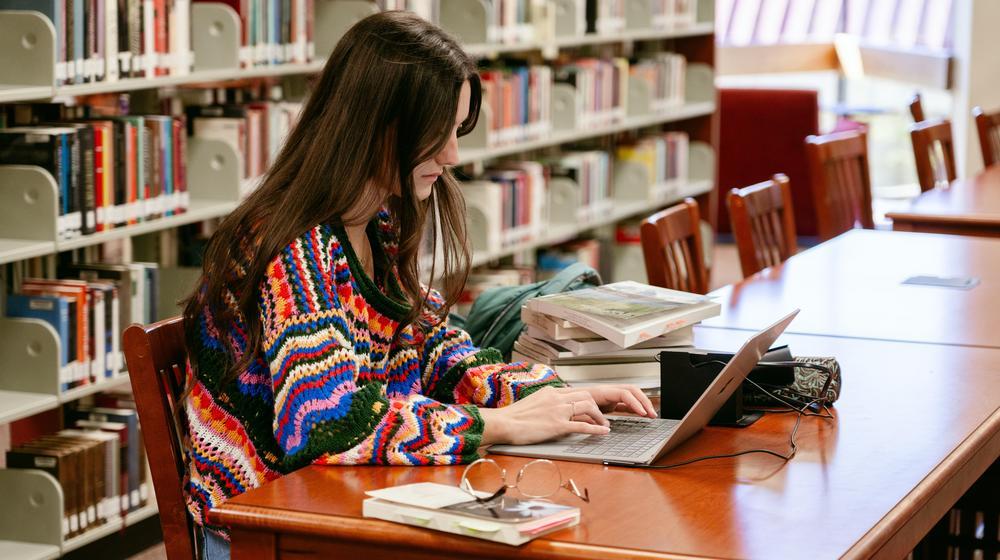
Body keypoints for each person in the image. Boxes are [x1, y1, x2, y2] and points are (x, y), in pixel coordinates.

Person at [181, 11, 656, 559]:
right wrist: (496, 425)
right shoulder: (294, 248)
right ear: (377, 126)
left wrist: (548, 395)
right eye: (438, 134)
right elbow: (325, 424)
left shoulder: (375, 222)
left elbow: (436, 351)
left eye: (456, 131)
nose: (452, 155)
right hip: (261, 527)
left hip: (334, 500)